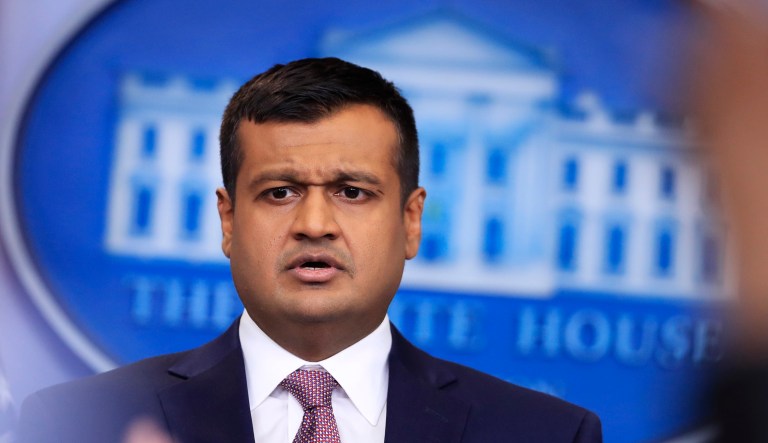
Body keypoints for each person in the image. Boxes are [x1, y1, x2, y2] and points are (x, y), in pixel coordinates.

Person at [16, 57, 602, 443]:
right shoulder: (78, 424)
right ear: (228, 219)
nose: (314, 224)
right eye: (280, 192)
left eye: (352, 192)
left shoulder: (542, 433)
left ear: (410, 220)